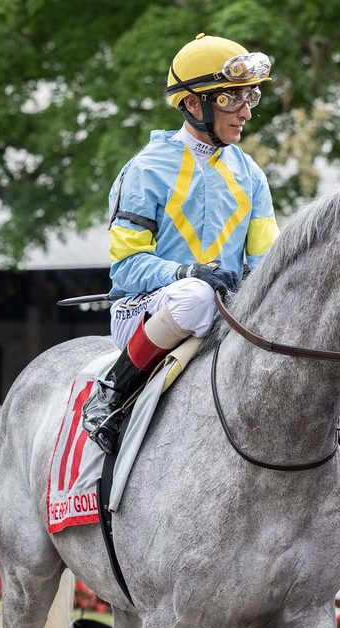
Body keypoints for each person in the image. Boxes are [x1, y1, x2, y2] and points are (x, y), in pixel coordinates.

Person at [81, 33, 278, 455]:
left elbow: (268, 262)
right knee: (196, 295)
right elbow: (127, 267)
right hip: (147, 309)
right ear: (193, 104)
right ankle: (112, 393)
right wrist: (187, 272)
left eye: (250, 98)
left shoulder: (251, 175)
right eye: (231, 99)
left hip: (228, 310)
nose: (246, 112)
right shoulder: (145, 170)